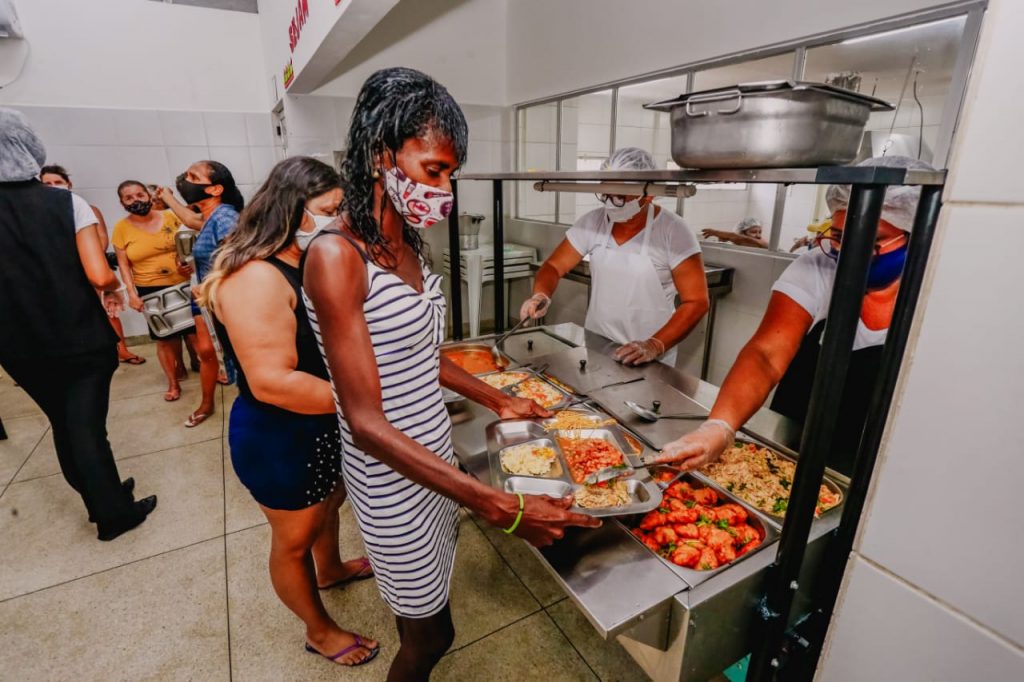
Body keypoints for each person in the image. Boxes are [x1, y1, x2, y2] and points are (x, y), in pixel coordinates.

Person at [303, 67, 600, 681]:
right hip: (391, 475)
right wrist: (499, 504)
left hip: (433, 455)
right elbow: (362, 423)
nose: (444, 188)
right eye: (433, 169)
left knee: (436, 605)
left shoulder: (408, 245)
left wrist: (501, 400)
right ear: (382, 154)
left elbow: (421, 355)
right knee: (429, 637)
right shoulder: (336, 257)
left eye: (451, 174)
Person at [199, 157, 377, 667]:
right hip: (279, 434)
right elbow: (273, 381)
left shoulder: (301, 259)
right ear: (292, 209)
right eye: (330, 210)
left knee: (328, 505)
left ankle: (333, 568)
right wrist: (367, 403)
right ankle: (319, 630)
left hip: (320, 420)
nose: (339, 220)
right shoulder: (255, 277)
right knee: (293, 538)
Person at [658, 156, 931, 477]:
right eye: (842, 237)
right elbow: (765, 354)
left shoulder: (935, 288)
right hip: (794, 437)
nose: (850, 252)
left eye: (873, 242)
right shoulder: (816, 266)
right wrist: (719, 426)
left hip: (881, 455)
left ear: (915, 232)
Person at [0, 108, 157, 540]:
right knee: (87, 427)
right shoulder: (65, 202)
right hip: (77, 336)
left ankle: (101, 495)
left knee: (63, 423)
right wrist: (111, 289)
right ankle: (115, 516)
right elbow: (99, 274)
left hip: (18, 346)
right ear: (29, 148)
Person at [519, 147, 710, 367]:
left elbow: (696, 302)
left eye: (619, 197)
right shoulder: (594, 222)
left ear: (648, 195)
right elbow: (553, 266)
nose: (610, 203)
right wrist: (540, 294)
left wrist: (655, 345)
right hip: (598, 343)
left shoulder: (673, 231)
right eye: (606, 194)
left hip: (649, 355)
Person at [161, 160, 244, 427]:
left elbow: (235, 259)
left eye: (192, 176)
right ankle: (207, 402)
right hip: (204, 298)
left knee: (232, 355)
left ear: (215, 189)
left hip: (221, 300)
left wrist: (210, 283)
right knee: (206, 353)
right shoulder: (209, 217)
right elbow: (190, 220)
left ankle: (249, 404)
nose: (186, 179)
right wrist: (167, 197)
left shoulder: (226, 216)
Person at [39, 164, 146, 365]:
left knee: (108, 311)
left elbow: (102, 241)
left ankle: (121, 349)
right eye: (48, 184)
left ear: (68, 184)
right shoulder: (37, 213)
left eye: (58, 182)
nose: (53, 186)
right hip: (55, 275)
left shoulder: (86, 208)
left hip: (89, 268)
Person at [111, 181, 198, 402]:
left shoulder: (171, 217)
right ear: (122, 202)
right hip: (150, 289)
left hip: (184, 283)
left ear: (149, 196)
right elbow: (124, 265)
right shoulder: (121, 228)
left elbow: (191, 242)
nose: (136, 200)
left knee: (197, 333)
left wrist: (188, 262)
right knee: (164, 339)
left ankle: (211, 370)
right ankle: (173, 383)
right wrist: (131, 294)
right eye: (129, 198)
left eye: (140, 194)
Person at [149, 182, 202, 374]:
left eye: (160, 199)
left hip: (188, 280)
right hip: (156, 284)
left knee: (192, 330)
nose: (157, 203)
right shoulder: (134, 224)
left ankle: (199, 363)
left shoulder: (180, 217)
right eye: (154, 200)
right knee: (169, 332)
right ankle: (178, 367)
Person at [702, 217, 769, 249]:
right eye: (753, 232)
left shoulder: (762, 243)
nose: (758, 236)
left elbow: (747, 240)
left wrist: (716, 232)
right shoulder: (734, 245)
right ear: (742, 233)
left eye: (760, 232)